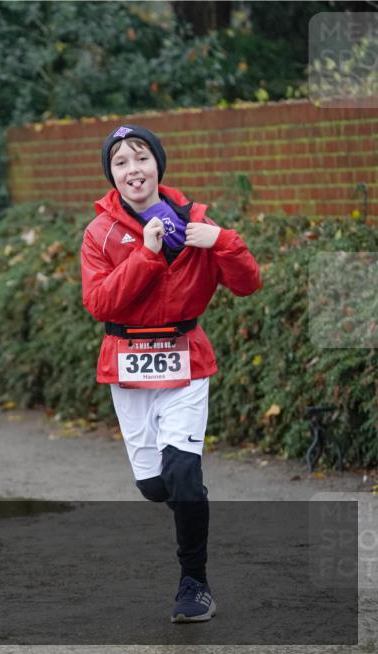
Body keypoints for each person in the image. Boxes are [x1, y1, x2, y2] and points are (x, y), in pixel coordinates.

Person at [80, 125, 261, 623]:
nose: (132, 169)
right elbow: (100, 303)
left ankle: (194, 582)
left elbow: (248, 284)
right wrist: (147, 253)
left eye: (141, 158)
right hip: (127, 363)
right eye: (121, 162)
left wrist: (223, 241)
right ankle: (187, 501)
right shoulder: (100, 233)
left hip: (185, 359)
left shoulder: (199, 223)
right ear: (112, 175)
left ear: (158, 165)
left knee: (183, 473)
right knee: (156, 486)